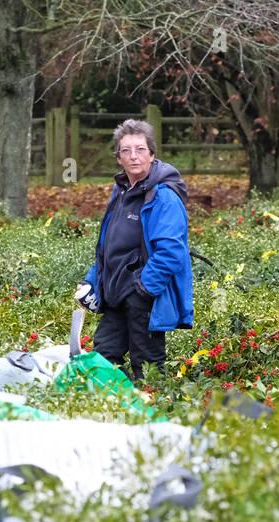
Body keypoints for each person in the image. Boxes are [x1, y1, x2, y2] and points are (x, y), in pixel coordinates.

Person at [76, 118, 194, 381]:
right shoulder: (120, 192)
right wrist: (91, 281)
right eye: (126, 150)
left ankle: (156, 416)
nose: (133, 156)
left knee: (148, 368)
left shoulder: (163, 195)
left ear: (152, 153)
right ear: (118, 157)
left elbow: (171, 252)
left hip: (144, 297)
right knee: (104, 360)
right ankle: (120, 415)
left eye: (140, 149)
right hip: (115, 295)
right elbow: (108, 247)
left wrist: (144, 289)